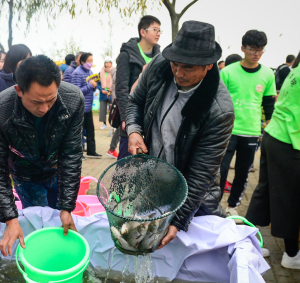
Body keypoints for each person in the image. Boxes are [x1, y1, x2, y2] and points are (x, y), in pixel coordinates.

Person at [126, 21, 234, 249]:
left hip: (193, 196)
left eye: (188, 68)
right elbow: (135, 100)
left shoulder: (219, 110)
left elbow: (200, 175)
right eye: (175, 64)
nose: (179, 73)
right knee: (139, 243)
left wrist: (178, 221)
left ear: (208, 66)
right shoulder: (160, 65)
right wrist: (134, 130)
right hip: (151, 181)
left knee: (190, 253)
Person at [0, 55, 84, 257]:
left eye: (50, 99)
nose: (44, 108)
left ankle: (60, 260)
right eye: (37, 102)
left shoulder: (73, 99)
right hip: (25, 173)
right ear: (19, 90)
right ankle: (41, 259)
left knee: (61, 221)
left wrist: (67, 206)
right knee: (38, 225)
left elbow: (71, 155)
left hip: (57, 168)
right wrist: (10, 219)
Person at [245, 52, 300, 267]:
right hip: (288, 140)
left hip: (274, 135)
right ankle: (292, 255)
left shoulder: (295, 70)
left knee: (266, 191)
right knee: (289, 197)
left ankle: (249, 242)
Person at [219, 30, 276, 219]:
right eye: (252, 49)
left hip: (251, 131)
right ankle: (214, 204)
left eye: (260, 50)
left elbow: (268, 105)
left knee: (243, 173)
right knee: (221, 169)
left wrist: (269, 127)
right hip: (227, 130)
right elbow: (218, 101)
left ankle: (232, 207)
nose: (256, 53)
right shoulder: (228, 72)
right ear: (243, 48)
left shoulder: (267, 74)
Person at [113, 15, 161, 160]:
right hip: (131, 115)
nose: (158, 33)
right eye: (154, 29)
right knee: (125, 165)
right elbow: (121, 89)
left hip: (153, 119)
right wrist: (126, 118)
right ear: (143, 32)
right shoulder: (126, 55)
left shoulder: (160, 57)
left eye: (160, 30)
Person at [71, 52, 101, 158]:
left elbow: (91, 88)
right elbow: (77, 91)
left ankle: (91, 151)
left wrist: (94, 86)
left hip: (88, 107)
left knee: (90, 130)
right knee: (79, 132)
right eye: (89, 61)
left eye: (92, 61)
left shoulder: (90, 72)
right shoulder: (77, 73)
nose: (91, 63)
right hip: (80, 107)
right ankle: (78, 153)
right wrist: (90, 86)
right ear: (82, 61)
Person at [99, 59, 113, 131]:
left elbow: (116, 82)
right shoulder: (101, 72)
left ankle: (112, 124)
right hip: (103, 93)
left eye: (109, 63)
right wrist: (102, 90)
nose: (108, 64)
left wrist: (112, 88)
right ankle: (104, 124)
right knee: (102, 110)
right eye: (106, 63)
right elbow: (98, 83)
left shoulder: (114, 71)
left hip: (111, 93)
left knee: (112, 110)